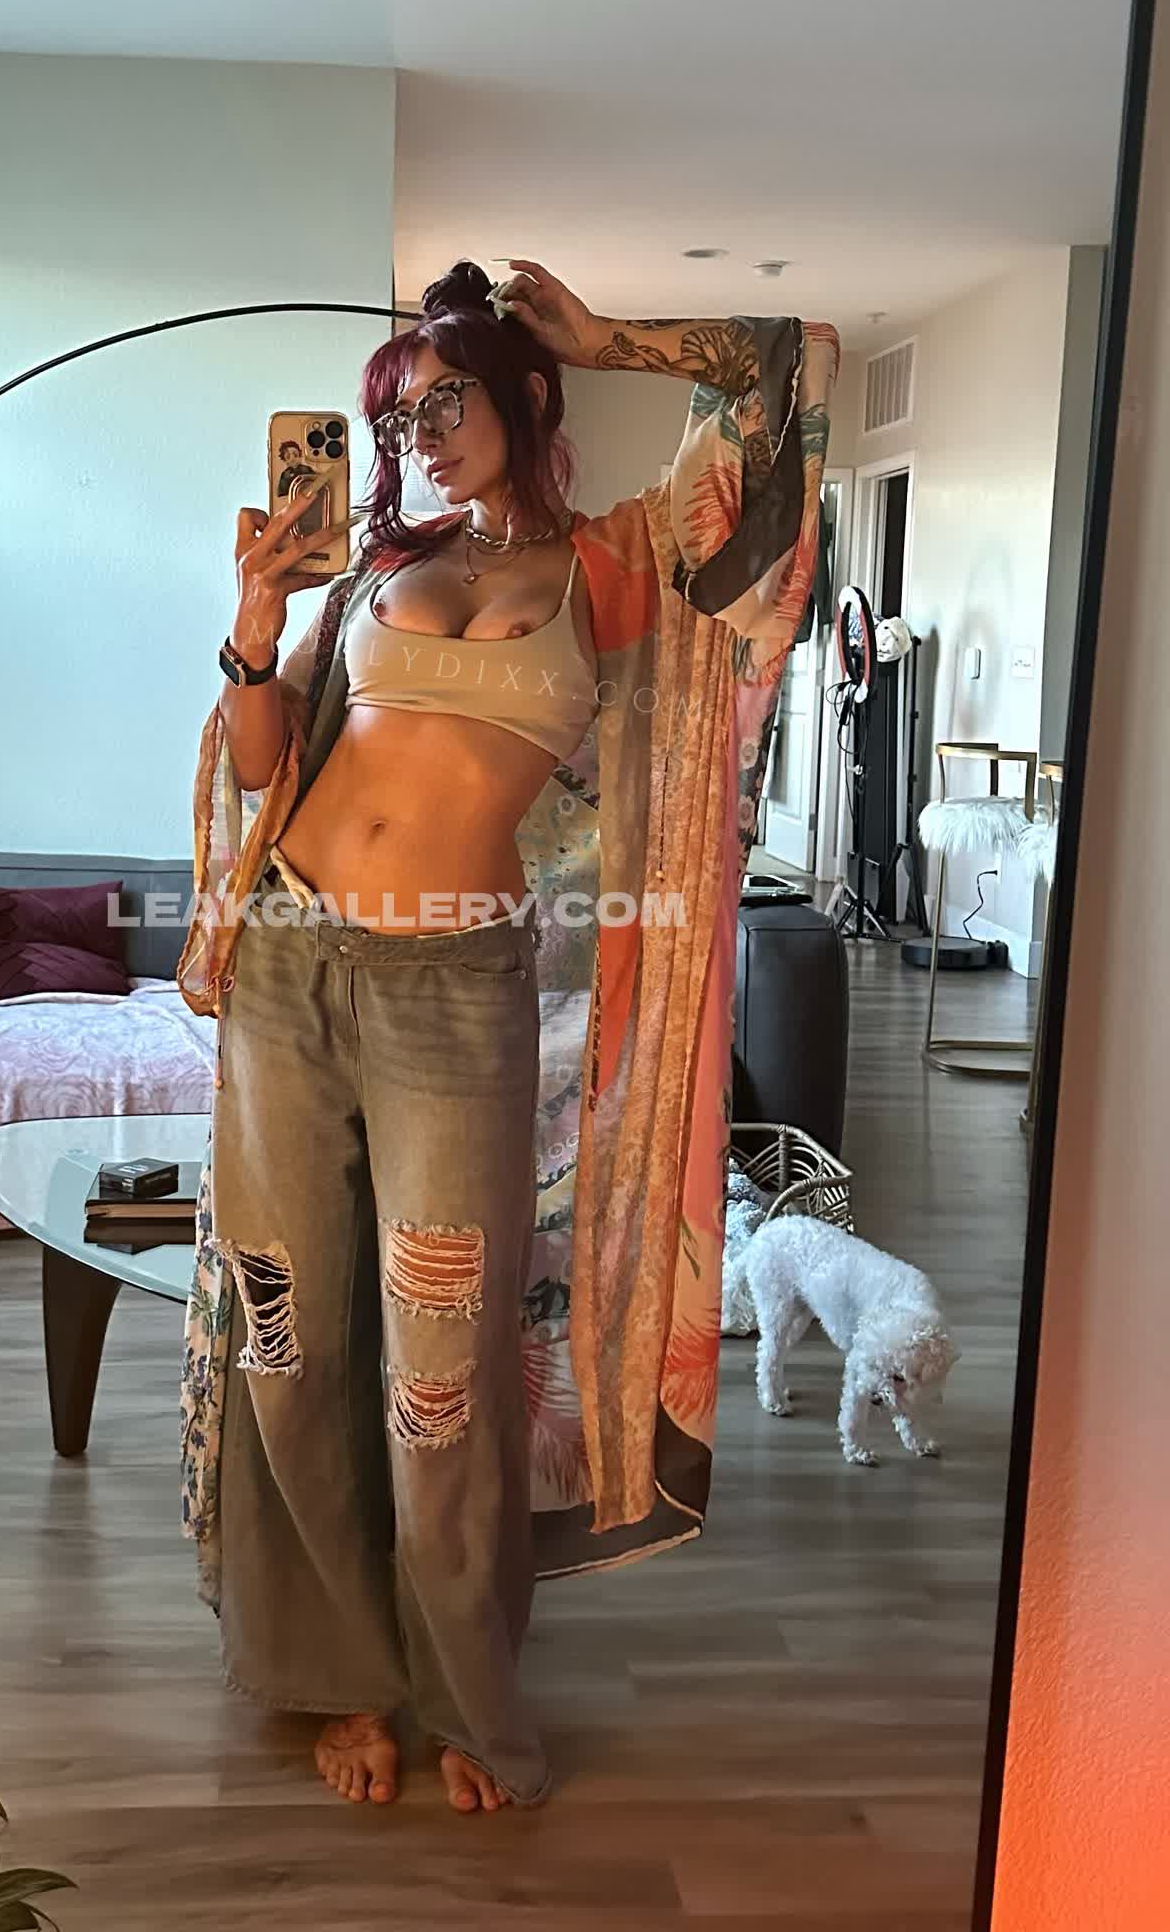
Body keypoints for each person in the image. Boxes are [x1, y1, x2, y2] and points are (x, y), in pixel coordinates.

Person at [182, 260, 837, 1817]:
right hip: (289, 972)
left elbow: (787, 374)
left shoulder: (616, 566)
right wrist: (255, 631)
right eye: (396, 417)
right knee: (287, 1327)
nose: (416, 436)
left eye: (443, 399)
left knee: (444, 1363)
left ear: (527, 396)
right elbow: (267, 768)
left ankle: (464, 1695)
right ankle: (342, 1676)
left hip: (451, 996)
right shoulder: (370, 572)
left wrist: (608, 341)